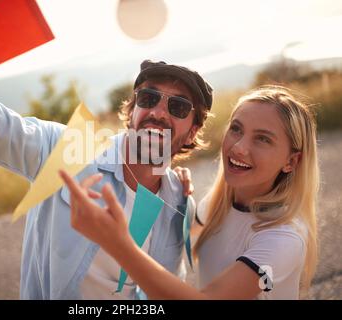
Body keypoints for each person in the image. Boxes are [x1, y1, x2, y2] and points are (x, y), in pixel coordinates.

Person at [0, 1, 213, 299]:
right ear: (133, 109)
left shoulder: (180, 200)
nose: (159, 113)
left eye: (178, 106)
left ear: (192, 130)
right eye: (149, 98)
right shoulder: (66, 150)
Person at [60, 85, 319, 299]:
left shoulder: (284, 238)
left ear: (292, 161)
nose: (239, 147)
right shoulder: (221, 205)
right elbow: (175, 233)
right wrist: (172, 191)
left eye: (263, 139)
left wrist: (119, 245)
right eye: (236, 129)